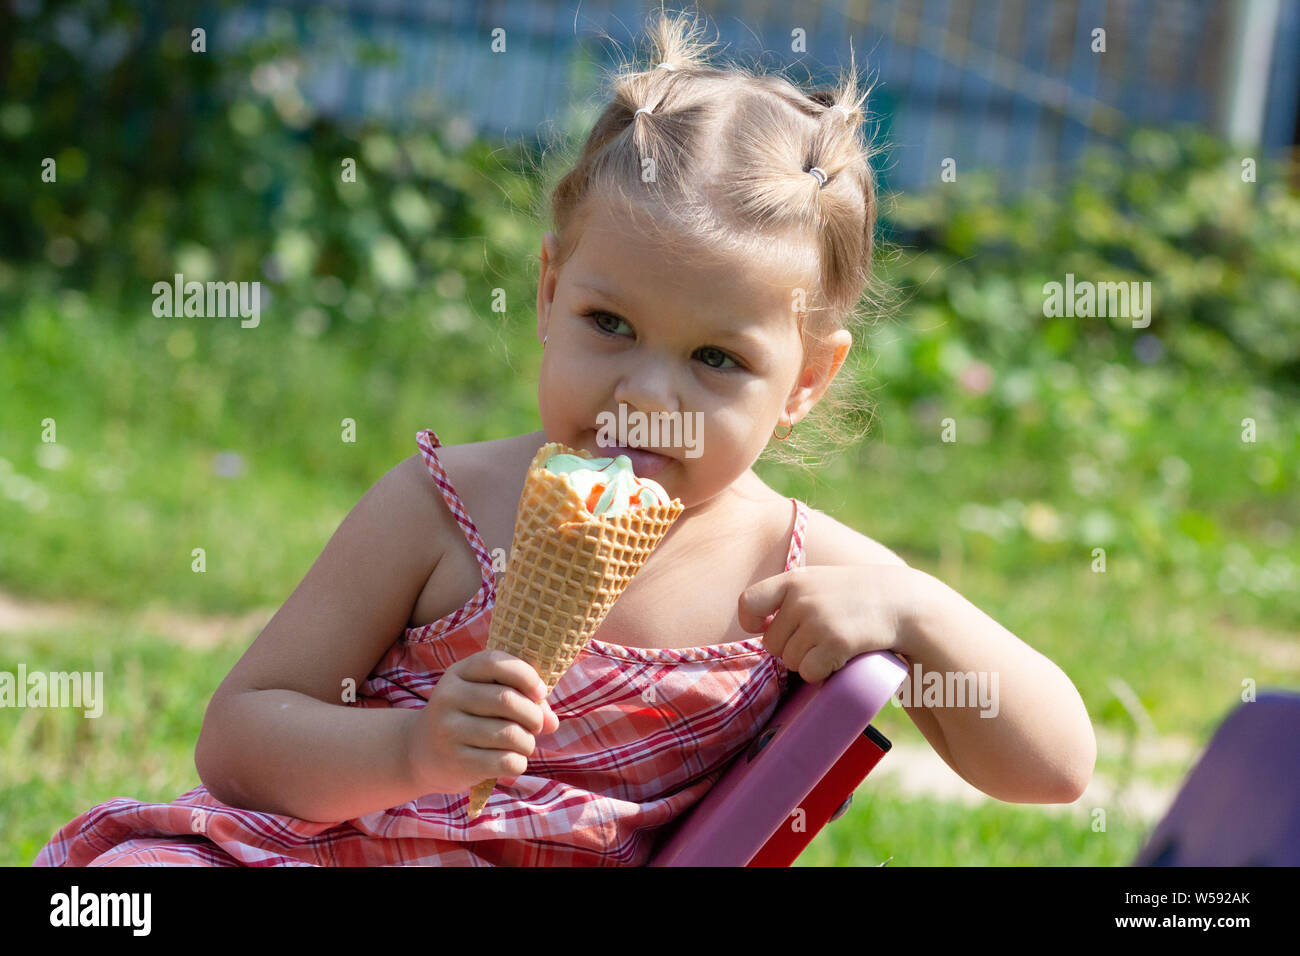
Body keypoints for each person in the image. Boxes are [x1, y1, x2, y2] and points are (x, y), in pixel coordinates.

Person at [33, 8, 1094, 867]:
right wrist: (410, 748)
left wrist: (916, 608)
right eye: (610, 325)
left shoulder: (797, 573)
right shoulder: (440, 507)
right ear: (548, 292)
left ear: (808, 380)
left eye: (716, 360)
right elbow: (241, 739)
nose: (643, 389)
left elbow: (1056, 764)